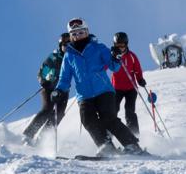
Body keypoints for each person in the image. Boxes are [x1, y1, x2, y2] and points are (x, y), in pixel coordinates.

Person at [52, 18, 145, 156]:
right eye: (74, 34)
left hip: (103, 91)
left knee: (108, 118)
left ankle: (132, 145)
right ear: (71, 36)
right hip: (84, 95)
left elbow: (114, 67)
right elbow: (65, 78)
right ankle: (106, 147)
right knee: (87, 120)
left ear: (87, 32)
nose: (77, 36)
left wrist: (115, 57)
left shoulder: (99, 48)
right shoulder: (69, 55)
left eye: (80, 32)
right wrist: (59, 90)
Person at [21, 33, 71, 145]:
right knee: (47, 109)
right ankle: (28, 134)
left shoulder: (73, 59)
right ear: (60, 45)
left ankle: (42, 138)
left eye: (69, 44)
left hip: (63, 90)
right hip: (50, 87)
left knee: (60, 113)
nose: (67, 46)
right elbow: (41, 71)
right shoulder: (54, 57)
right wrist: (44, 81)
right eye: (64, 44)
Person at [110, 32, 146, 136]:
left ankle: (134, 134)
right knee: (113, 110)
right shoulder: (112, 57)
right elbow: (104, 67)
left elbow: (137, 70)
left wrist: (140, 79)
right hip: (117, 88)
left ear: (126, 44)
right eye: (118, 45)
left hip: (131, 88)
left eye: (122, 45)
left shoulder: (132, 56)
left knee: (130, 111)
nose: (120, 47)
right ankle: (110, 134)